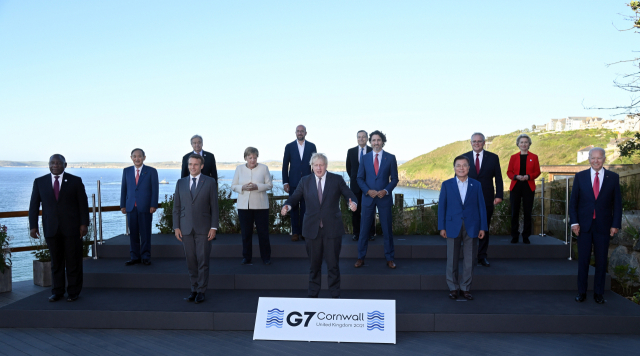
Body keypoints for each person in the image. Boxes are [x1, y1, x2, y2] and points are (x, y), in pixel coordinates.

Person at [281, 153, 357, 298]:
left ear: (326, 165)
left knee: (333, 265)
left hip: (332, 230)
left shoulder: (337, 179)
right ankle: (313, 296)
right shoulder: (305, 181)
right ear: (312, 166)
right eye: (315, 165)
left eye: (321, 164)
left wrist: (352, 203)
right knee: (314, 266)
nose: (318, 168)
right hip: (311, 230)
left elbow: (350, 194)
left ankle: (335, 295)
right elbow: (294, 197)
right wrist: (287, 206)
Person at [28, 154, 89, 302]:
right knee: (56, 262)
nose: (55, 165)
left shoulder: (75, 181)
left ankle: (73, 291)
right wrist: (33, 226)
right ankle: (57, 291)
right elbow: (34, 206)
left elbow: (83, 204)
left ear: (65, 165)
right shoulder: (40, 182)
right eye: (52, 163)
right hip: (51, 228)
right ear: (49, 165)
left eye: (58, 163)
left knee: (73, 261)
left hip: (72, 228)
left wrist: (84, 224)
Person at [570, 147, 622, 304]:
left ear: (604, 159)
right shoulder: (580, 177)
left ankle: (599, 294)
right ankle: (582, 292)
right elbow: (573, 203)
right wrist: (574, 222)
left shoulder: (613, 177)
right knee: (583, 261)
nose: (596, 161)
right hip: (583, 226)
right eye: (593, 158)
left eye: (599, 158)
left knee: (601, 261)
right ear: (589, 159)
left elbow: (617, 204)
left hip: (604, 226)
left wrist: (615, 224)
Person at [438, 155, 487, 301]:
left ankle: (465, 288)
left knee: (469, 259)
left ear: (469, 168)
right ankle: (453, 288)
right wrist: (442, 227)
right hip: (452, 225)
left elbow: (481, 207)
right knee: (452, 258)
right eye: (458, 165)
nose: (461, 168)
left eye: (464, 165)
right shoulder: (447, 184)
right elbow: (442, 207)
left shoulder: (476, 185)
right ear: (454, 168)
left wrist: (482, 227)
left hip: (472, 226)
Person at [173, 154, 219, 304]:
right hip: (185, 228)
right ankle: (194, 289)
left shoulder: (210, 182)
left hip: (204, 228)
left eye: (196, 164)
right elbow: (176, 208)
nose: (192, 167)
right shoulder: (180, 183)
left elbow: (215, 207)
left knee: (203, 261)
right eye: (190, 164)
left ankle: (201, 291)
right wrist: (176, 227)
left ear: (202, 166)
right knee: (191, 261)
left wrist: (213, 227)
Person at [354, 130, 399, 269]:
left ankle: (390, 258)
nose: (376, 143)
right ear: (370, 142)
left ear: (383, 141)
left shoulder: (391, 158)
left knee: (387, 230)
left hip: (384, 198)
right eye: (373, 140)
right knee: (364, 230)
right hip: (368, 198)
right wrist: (368, 191)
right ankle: (360, 257)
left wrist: (385, 191)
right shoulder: (365, 158)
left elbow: (395, 179)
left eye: (378, 140)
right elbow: (359, 178)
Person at [464, 132, 503, 267]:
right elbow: (458, 178)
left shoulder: (493, 158)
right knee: (469, 228)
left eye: (479, 141)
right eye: (474, 141)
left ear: (484, 143)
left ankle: (482, 256)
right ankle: (470, 256)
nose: (476, 143)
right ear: (471, 143)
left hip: (487, 198)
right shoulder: (464, 158)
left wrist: (499, 195)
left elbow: (498, 178)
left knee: (484, 227)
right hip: (468, 199)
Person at [231, 147, 273, 265]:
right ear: (245, 158)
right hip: (244, 206)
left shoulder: (264, 168)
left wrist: (257, 187)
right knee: (246, 233)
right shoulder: (239, 169)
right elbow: (233, 186)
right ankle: (246, 257)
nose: (252, 160)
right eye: (250, 158)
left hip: (261, 206)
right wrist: (242, 187)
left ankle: (266, 257)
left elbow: (269, 185)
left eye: (255, 157)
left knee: (263, 233)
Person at [119, 148, 159, 266]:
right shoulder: (126, 171)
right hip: (131, 207)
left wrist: (153, 205)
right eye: (134, 156)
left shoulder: (151, 171)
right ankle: (134, 257)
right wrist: (123, 205)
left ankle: (146, 256)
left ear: (144, 158)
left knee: (145, 233)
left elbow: (155, 190)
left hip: (146, 207)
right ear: (131, 158)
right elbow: (124, 189)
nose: (137, 158)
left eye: (139, 156)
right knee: (133, 233)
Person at [282, 125, 317, 241]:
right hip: (293, 182)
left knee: (306, 208)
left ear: (306, 133)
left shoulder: (312, 146)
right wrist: (285, 182)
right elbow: (285, 165)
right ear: (295, 133)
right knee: (293, 207)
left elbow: (315, 165)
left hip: (308, 182)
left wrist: (315, 181)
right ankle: (295, 232)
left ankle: (303, 232)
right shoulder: (289, 146)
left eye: (302, 131)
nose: (300, 133)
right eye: (298, 131)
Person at [506, 134, 541, 244]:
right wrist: (516, 176)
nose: (523, 144)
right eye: (521, 142)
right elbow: (509, 172)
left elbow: (537, 171)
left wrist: (528, 177)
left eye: (526, 142)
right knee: (514, 212)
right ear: (518, 144)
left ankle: (526, 236)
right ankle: (514, 235)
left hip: (528, 186)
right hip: (516, 186)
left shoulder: (534, 157)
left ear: (529, 144)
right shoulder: (513, 157)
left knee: (527, 212)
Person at [346, 130, 375, 241]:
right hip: (355, 186)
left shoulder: (372, 151)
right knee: (355, 210)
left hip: (369, 186)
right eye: (359, 137)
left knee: (369, 210)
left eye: (363, 137)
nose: (361, 139)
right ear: (357, 138)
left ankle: (371, 233)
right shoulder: (351, 151)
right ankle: (356, 233)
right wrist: (356, 179)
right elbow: (349, 168)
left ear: (367, 139)